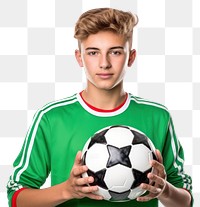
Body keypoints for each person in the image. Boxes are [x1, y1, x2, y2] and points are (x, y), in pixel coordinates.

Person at [7, 8, 193, 207]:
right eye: (93, 52)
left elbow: (185, 201)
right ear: (79, 57)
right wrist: (66, 190)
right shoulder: (52, 118)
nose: (104, 63)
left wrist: (164, 190)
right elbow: (16, 197)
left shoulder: (158, 116)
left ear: (130, 57)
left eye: (115, 52)